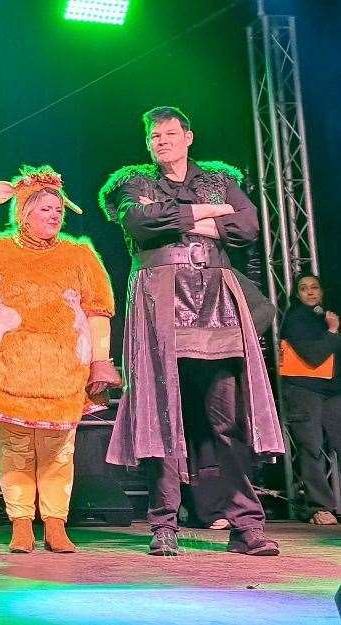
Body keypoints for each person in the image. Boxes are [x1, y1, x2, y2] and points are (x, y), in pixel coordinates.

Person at [102, 106, 283, 556]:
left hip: (216, 303)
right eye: (154, 136)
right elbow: (141, 224)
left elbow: (248, 225)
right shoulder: (134, 182)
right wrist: (208, 214)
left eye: (169, 133)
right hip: (161, 304)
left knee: (229, 418)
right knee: (162, 416)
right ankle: (164, 524)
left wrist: (185, 215)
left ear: (188, 137)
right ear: (148, 144)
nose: (161, 141)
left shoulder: (220, 179)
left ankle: (246, 525)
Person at [0, 165, 119, 554]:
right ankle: (20, 522)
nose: (54, 215)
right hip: (8, 368)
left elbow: (98, 310)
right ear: (23, 211)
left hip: (63, 369)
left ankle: (55, 522)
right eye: (45, 208)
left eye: (58, 209)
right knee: (15, 448)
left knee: (58, 450)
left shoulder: (79, 255)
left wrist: (101, 361)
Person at [278, 273, 340, 525]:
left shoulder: (325, 316)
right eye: (304, 288)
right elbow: (314, 356)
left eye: (315, 287)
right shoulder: (296, 319)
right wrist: (333, 332)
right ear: (297, 294)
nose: (310, 292)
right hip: (304, 391)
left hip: (333, 391)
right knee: (311, 448)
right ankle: (319, 507)